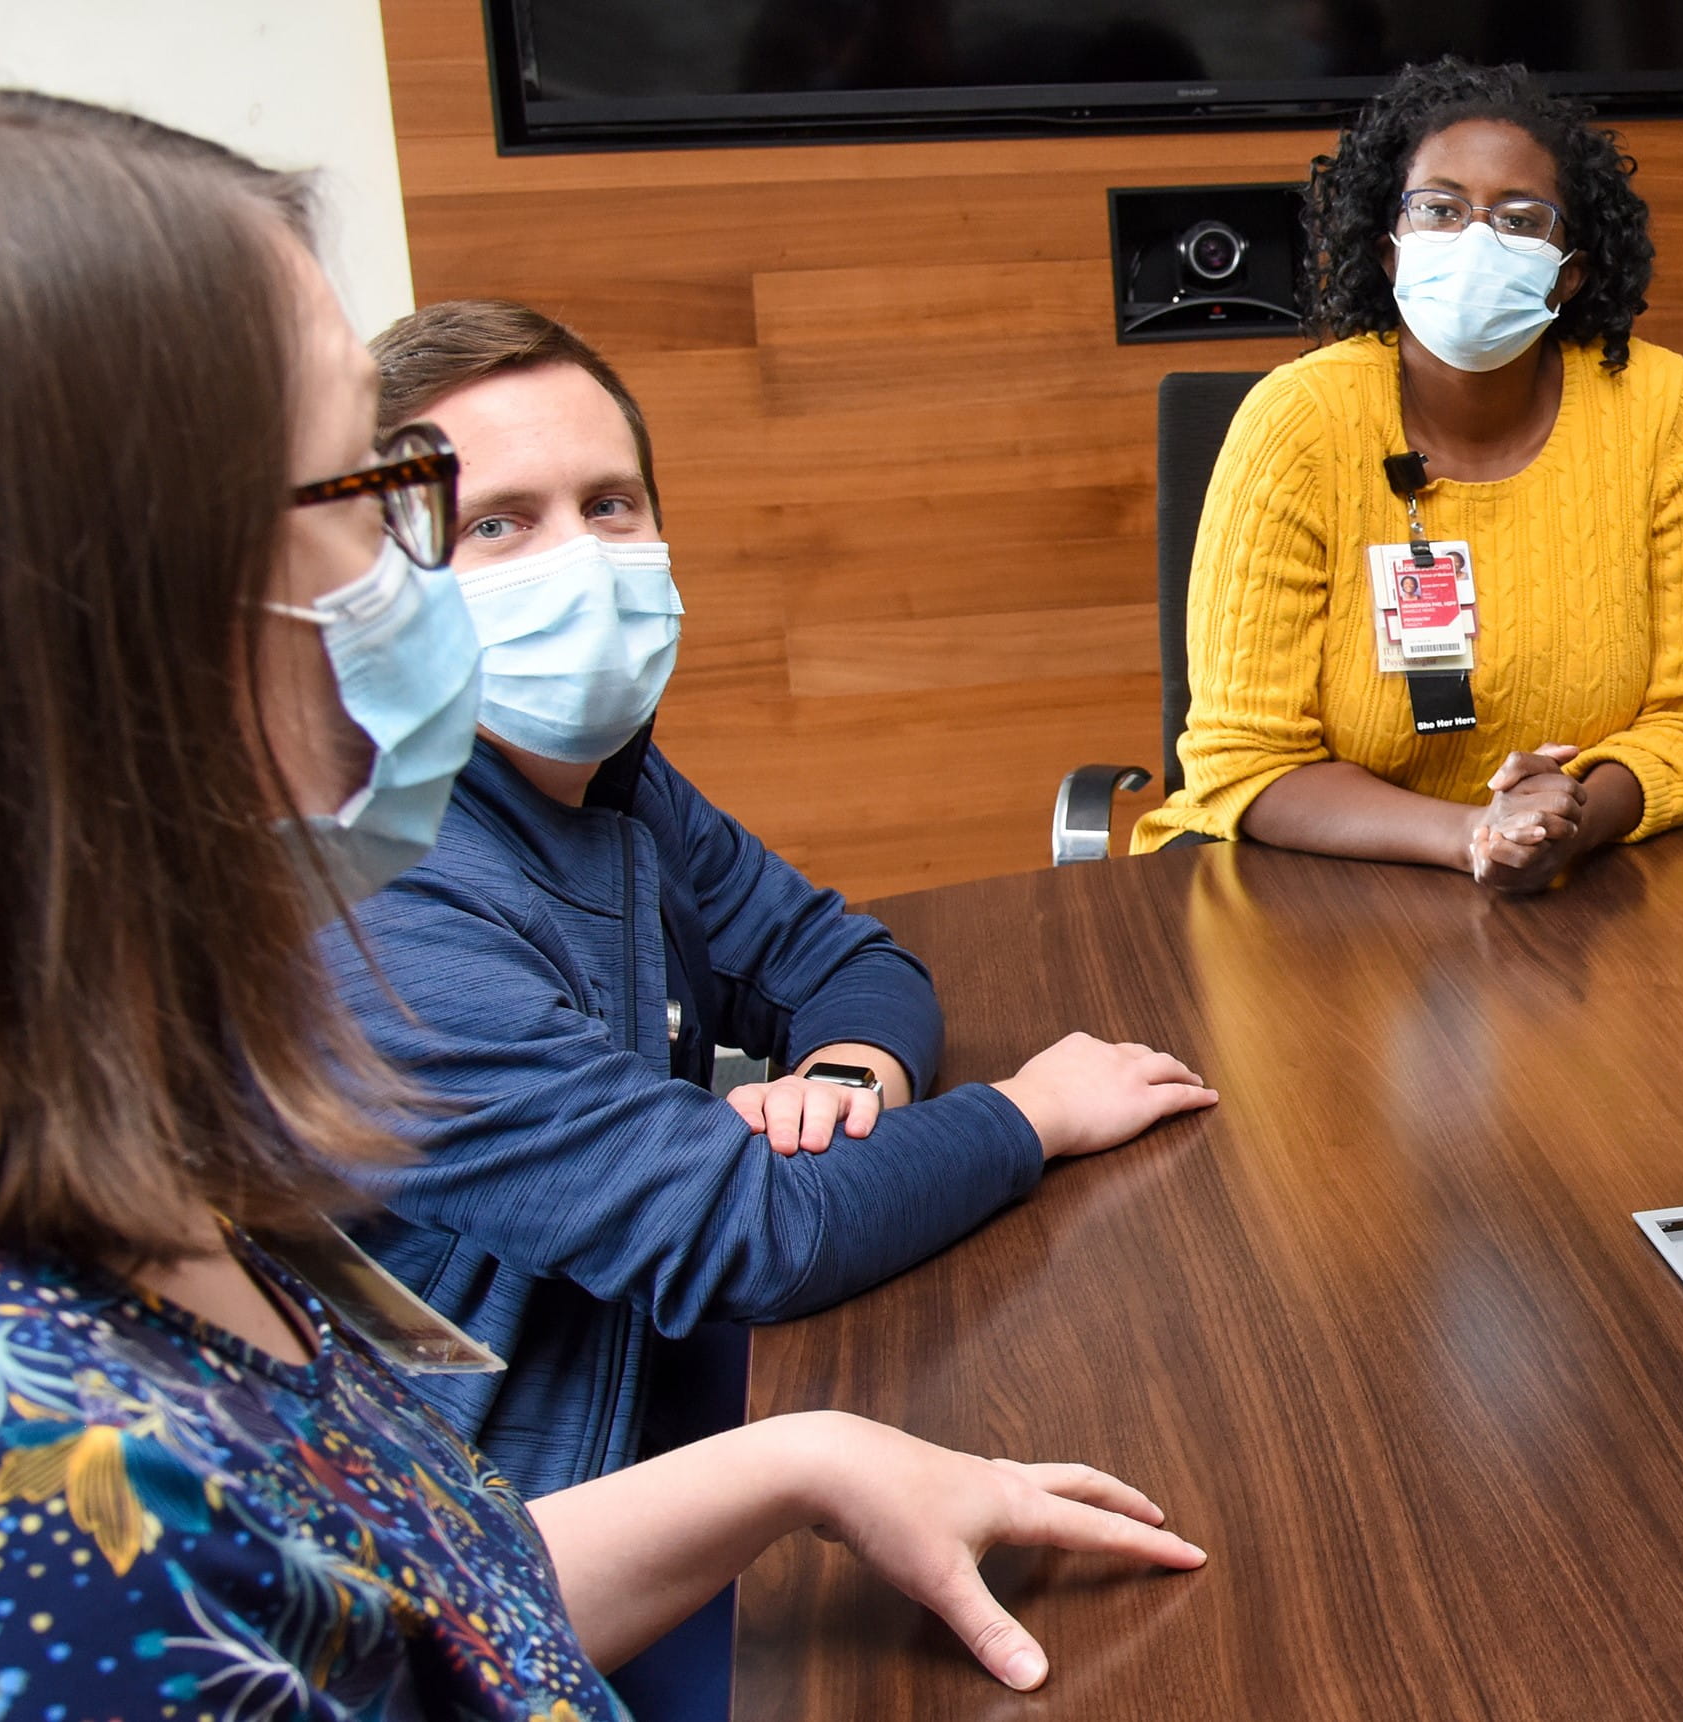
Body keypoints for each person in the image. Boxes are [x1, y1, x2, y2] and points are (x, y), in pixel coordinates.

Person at [0, 74, 1199, 1716]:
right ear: (58, 635)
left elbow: (394, 1612)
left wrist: (796, 1461)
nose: (424, 584)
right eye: (371, 493)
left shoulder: (101, 1181)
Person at [329, 300, 1219, 1505]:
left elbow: (833, 954)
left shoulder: (609, 778)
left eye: (609, 504)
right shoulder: (376, 902)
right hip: (502, 1529)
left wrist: (848, 1084)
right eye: (498, 523)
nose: (581, 561)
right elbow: (745, 1235)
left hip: (640, 1354)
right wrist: (1031, 1114)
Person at [1129, 58, 1683, 891]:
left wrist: (1567, 821)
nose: (1476, 241)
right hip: (1308, 899)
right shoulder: (1298, 422)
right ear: (1389, 252)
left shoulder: (1660, 407)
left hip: (1584, 895)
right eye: (1441, 210)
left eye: (1521, 221)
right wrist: (1475, 835)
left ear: (1571, 272)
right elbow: (1241, 762)